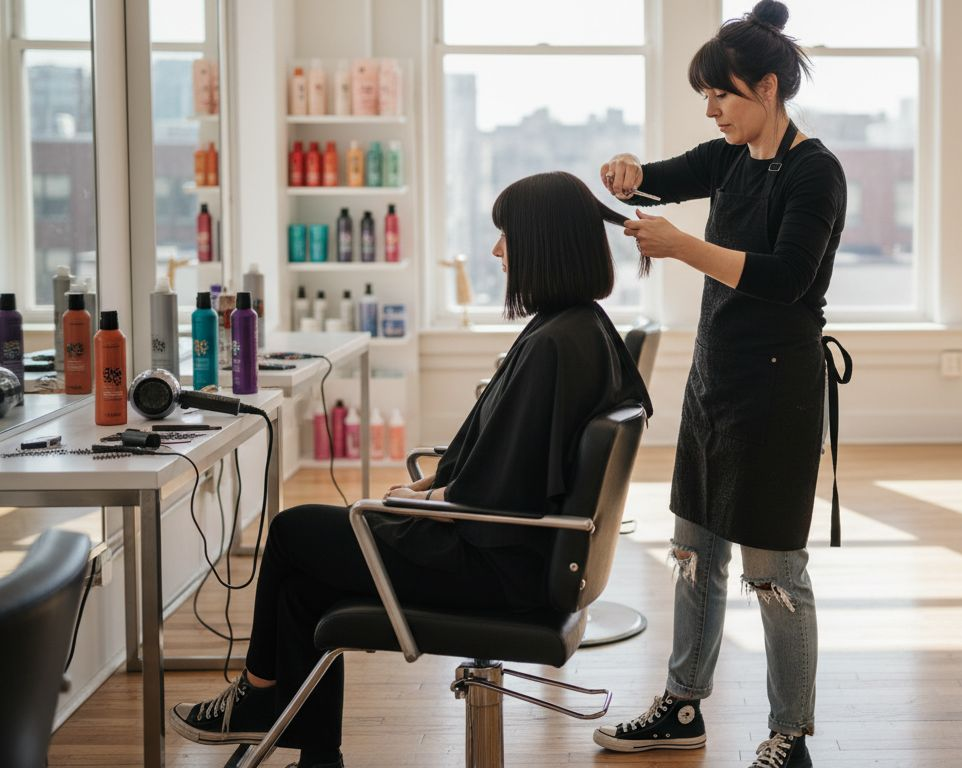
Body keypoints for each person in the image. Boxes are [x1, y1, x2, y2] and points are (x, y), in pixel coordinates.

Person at [169, 171, 653, 768]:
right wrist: (440, 483)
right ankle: (315, 756)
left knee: (295, 531)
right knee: (304, 579)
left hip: (496, 566)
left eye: (507, 236)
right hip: (523, 556)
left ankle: (257, 697)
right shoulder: (582, 328)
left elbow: (506, 492)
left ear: (543, 242)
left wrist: (428, 503)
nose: (497, 251)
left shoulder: (554, 343)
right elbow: (516, 456)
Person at [591, 3, 849, 768]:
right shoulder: (731, 156)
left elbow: (784, 278)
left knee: (773, 573)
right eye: (705, 97)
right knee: (696, 554)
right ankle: (681, 707)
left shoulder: (815, 171)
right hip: (716, 384)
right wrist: (629, 173)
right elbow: (657, 184)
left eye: (722, 95)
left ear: (767, 88)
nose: (712, 109)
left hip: (779, 392)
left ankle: (789, 736)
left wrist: (685, 247)